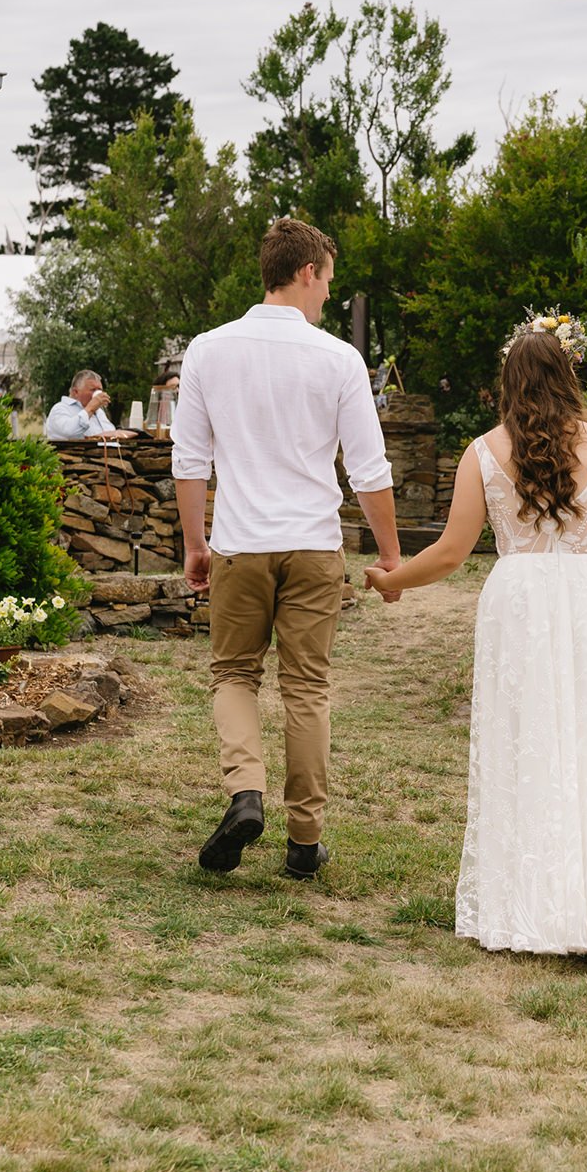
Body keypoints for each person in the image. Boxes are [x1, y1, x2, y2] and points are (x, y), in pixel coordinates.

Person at [365, 312, 587, 967]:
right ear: (568, 378)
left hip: (520, 605)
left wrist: (395, 581)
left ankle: (545, 905)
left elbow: (450, 552)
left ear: (507, 383)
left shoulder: (482, 453)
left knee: (529, 748)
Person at [172, 218, 401, 880]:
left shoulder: (208, 350)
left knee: (235, 674)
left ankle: (245, 792)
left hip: (241, 544)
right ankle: (305, 839)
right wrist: (389, 556)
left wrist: (196, 543)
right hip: (313, 547)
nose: (328, 293)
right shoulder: (337, 359)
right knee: (306, 687)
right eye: (328, 279)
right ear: (307, 273)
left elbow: (190, 459)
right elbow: (369, 469)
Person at [44, 370, 135, 441]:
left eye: (100, 389)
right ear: (76, 392)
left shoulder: (99, 413)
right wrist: (90, 408)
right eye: (93, 390)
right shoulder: (60, 409)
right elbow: (70, 433)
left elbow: (109, 435)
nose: (98, 393)